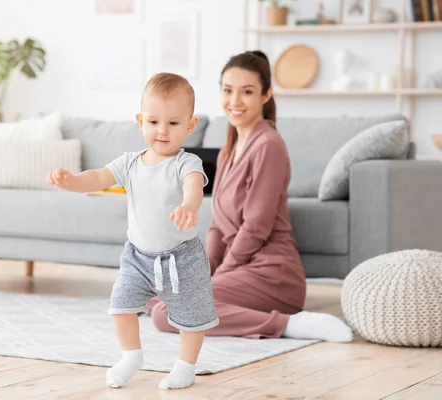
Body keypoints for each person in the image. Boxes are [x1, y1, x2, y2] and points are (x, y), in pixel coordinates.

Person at [149, 51, 353, 343]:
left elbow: (256, 226)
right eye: (228, 90)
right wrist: (203, 272)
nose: (235, 101)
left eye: (247, 92)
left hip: (271, 273)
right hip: (240, 268)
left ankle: (288, 325)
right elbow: (219, 226)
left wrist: (219, 277)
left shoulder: (268, 145)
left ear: (266, 94)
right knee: (154, 296)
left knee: (166, 312)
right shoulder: (228, 150)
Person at [47, 72, 218, 390]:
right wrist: (71, 181)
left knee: (193, 317)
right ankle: (131, 356)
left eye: (173, 124)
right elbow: (98, 177)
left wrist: (189, 207)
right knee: (120, 306)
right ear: (140, 120)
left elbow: (194, 187)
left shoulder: (186, 163)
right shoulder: (130, 162)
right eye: (154, 122)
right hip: (138, 257)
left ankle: (185, 366)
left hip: (181, 259)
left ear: (190, 126)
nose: (162, 131)